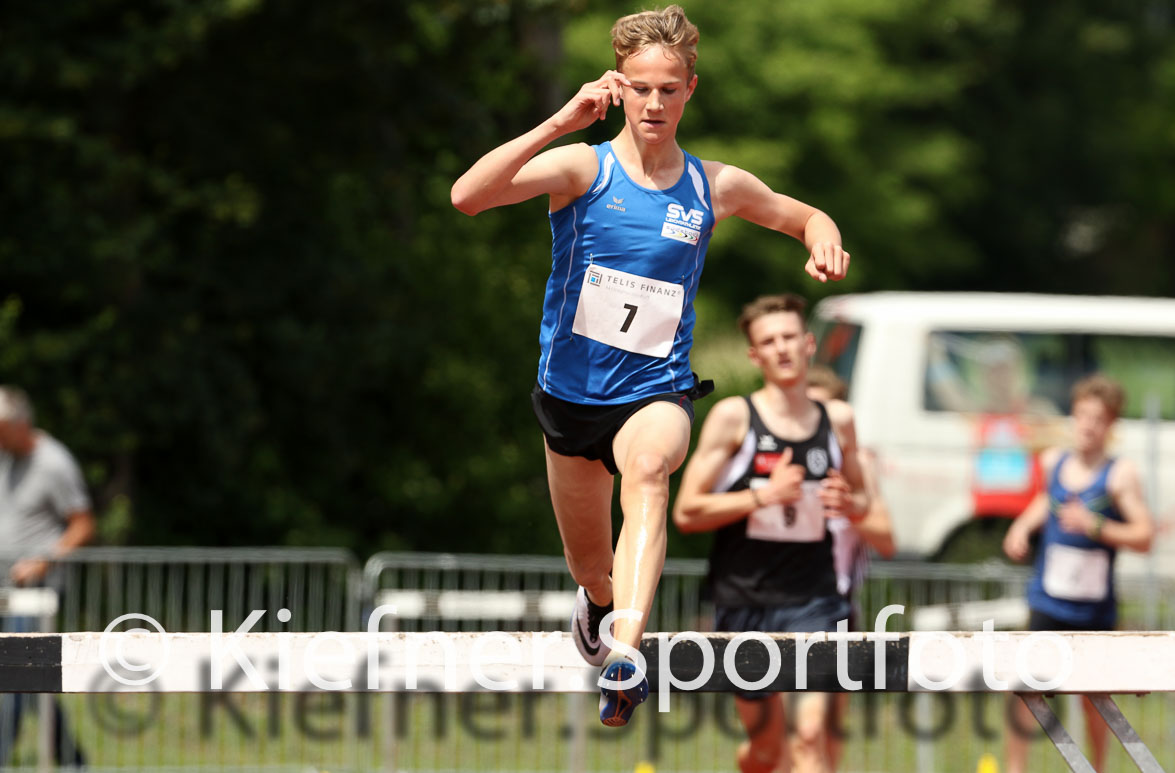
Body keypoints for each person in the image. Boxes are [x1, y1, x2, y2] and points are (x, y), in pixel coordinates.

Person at [450, 7, 850, 726]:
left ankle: (626, 651)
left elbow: (803, 214)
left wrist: (822, 239)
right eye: (640, 89)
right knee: (588, 563)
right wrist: (558, 122)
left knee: (647, 474)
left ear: (690, 89)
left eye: (668, 89)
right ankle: (600, 604)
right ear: (619, 89)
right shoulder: (582, 167)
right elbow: (467, 196)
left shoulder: (712, 186)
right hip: (568, 401)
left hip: (654, 391)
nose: (654, 104)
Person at [673, 295, 868, 773]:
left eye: (788, 337)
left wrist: (848, 504)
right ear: (754, 355)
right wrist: (763, 496)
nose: (781, 349)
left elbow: (864, 502)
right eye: (768, 341)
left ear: (808, 344)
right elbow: (687, 512)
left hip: (816, 598)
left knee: (808, 739)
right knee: (766, 751)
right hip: (745, 598)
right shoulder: (734, 418)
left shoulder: (838, 421)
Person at [1002, 373, 1154, 773]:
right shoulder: (1055, 461)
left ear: (1111, 425)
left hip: (1093, 610)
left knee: (1094, 700)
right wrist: (1021, 526)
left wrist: (1096, 526)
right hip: (1048, 600)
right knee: (1023, 688)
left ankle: (1097, 768)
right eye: (1082, 415)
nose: (1087, 425)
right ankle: (1014, 769)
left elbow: (1144, 536)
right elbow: (1044, 500)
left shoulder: (1120, 475)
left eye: (1098, 418)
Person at [805, 365, 894, 771]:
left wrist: (850, 508)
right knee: (785, 737)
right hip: (777, 602)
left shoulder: (859, 467)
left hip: (837, 609)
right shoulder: (775, 458)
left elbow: (887, 539)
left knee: (824, 727)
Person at [0, 385, 95, 765]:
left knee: (16, 678)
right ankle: (73, 760)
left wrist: (43, 560)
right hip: (7, 591)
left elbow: (83, 524)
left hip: (38, 591)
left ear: (20, 424)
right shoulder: (6, 460)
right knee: (33, 684)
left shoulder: (54, 462)